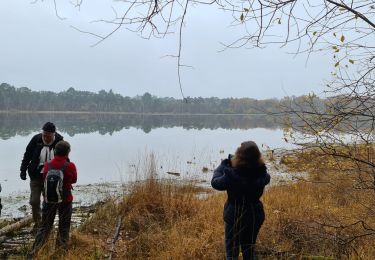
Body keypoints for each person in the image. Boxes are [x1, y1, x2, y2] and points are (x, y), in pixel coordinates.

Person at [211, 141, 270, 260]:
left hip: (234, 214)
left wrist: (224, 164)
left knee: (232, 251)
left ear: (239, 155)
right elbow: (266, 177)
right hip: (255, 213)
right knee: (249, 249)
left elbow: (215, 182)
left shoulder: (231, 175)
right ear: (257, 156)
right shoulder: (262, 173)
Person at [31, 140, 77, 254]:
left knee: (45, 227)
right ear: (68, 153)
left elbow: (45, 178)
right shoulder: (70, 165)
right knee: (64, 227)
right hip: (65, 200)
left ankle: (35, 251)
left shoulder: (47, 164)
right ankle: (60, 252)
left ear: (55, 151)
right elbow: (74, 180)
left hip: (49, 199)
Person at [20, 122, 64, 230]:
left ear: (53, 134)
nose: (45, 137)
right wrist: (23, 170)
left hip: (51, 177)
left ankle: (46, 224)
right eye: (44, 134)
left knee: (48, 200)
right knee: (34, 201)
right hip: (35, 175)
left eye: (48, 136)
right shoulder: (36, 139)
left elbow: (64, 158)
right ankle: (37, 223)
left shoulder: (59, 141)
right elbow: (27, 155)